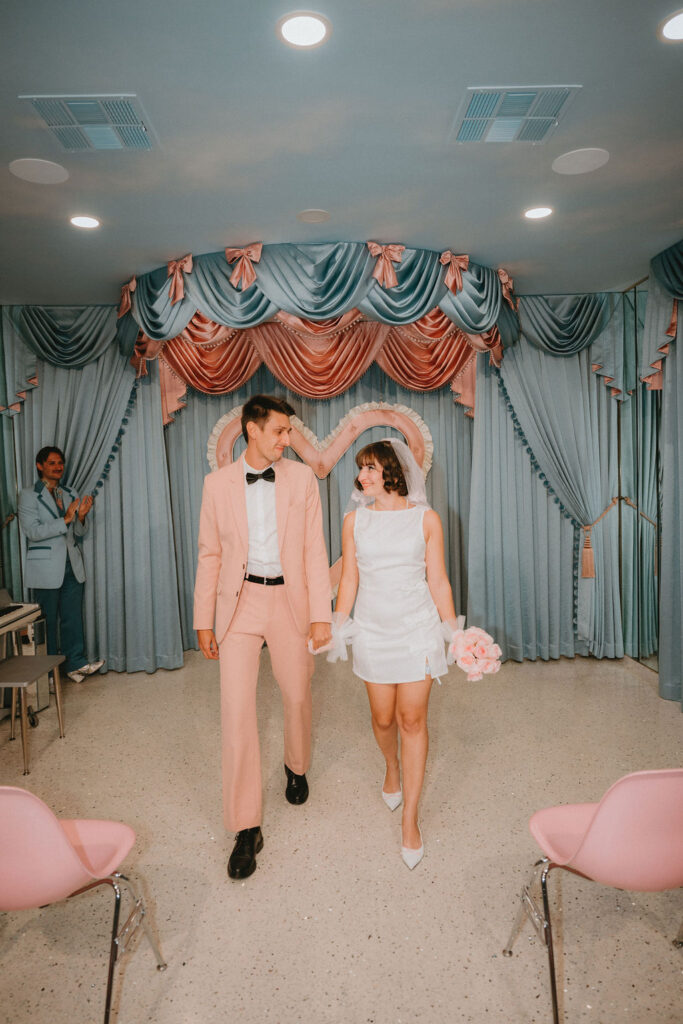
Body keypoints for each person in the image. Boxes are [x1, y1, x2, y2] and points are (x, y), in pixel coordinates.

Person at [194, 395, 332, 880]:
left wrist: (321, 615)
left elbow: (314, 550)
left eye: (288, 431)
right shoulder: (216, 485)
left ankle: (296, 765)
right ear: (252, 430)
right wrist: (203, 619)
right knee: (236, 712)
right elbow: (210, 554)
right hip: (239, 605)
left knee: (296, 695)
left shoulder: (302, 480)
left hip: (290, 602)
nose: (287, 440)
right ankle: (245, 827)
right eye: (279, 431)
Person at [333, 438, 458, 869]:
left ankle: (410, 819)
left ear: (393, 471)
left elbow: (438, 580)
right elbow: (349, 578)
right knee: (383, 718)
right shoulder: (354, 521)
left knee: (412, 720)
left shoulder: (426, 519)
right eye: (360, 468)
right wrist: (338, 624)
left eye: (370, 468)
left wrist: (453, 632)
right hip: (372, 630)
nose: (361, 476)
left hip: (416, 630)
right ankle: (391, 766)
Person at [17, 446, 104, 683]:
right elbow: (32, 531)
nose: (58, 467)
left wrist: (81, 517)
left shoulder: (69, 492)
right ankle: (48, 673)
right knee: (46, 621)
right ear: (40, 466)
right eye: (52, 463)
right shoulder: (28, 495)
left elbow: (78, 533)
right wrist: (65, 519)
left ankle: (76, 665)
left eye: (60, 463)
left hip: (72, 566)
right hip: (45, 569)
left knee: (72, 618)